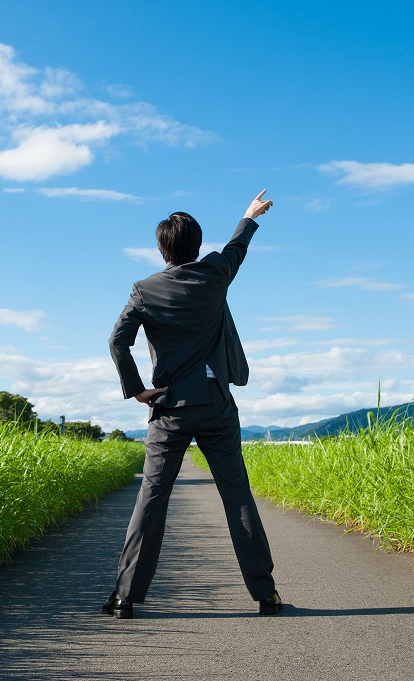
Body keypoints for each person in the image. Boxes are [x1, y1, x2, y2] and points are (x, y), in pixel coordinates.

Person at [102, 189, 281, 619]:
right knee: (237, 496)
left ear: (161, 248)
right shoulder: (214, 273)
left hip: (169, 409)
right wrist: (250, 215)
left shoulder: (144, 290)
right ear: (198, 246)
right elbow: (237, 248)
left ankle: (125, 598)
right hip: (216, 403)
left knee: (151, 499)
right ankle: (265, 595)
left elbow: (117, 342)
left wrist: (137, 389)